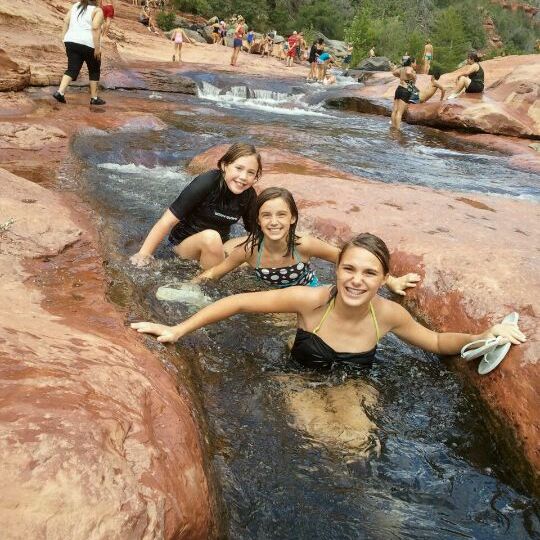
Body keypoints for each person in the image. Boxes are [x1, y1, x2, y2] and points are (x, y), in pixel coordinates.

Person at [131, 232, 525, 376]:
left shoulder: (387, 314)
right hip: (297, 378)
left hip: (352, 383)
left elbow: (437, 343)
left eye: (369, 274)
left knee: (359, 449)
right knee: (323, 442)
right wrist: (177, 329)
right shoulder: (311, 300)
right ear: (335, 271)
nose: (356, 280)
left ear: (381, 278)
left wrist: (482, 334)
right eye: (348, 269)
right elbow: (237, 302)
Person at [192, 187, 420, 296]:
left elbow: (350, 260)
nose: (274, 222)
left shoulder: (304, 245)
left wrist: (391, 282)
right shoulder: (250, 251)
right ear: (258, 221)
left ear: (292, 218)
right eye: (266, 216)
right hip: (274, 296)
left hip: (309, 294)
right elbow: (216, 272)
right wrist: (188, 286)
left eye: (281, 215)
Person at [130, 143, 260, 269]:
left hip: (220, 246)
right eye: (239, 168)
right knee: (212, 237)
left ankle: (220, 268)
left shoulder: (249, 195)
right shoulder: (207, 182)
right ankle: (205, 282)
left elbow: (254, 232)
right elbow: (166, 221)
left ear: (255, 177)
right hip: (183, 246)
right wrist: (144, 253)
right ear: (225, 165)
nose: (243, 177)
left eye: (250, 172)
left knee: (259, 241)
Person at [53, 0, 106, 106]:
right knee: (94, 69)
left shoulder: (76, 5)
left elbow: (66, 20)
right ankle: (94, 98)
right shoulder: (97, 10)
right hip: (88, 43)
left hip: (71, 41)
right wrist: (97, 48)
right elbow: (95, 28)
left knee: (72, 69)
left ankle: (60, 92)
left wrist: (63, 38)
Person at [390, 58, 445, 129]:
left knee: (394, 110)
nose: (415, 64)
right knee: (399, 112)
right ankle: (397, 130)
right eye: (415, 63)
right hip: (405, 90)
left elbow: (394, 73)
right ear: (411, 63)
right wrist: (413, 76)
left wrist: (401, 76)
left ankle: (392, 127)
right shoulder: (410, 68)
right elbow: (408, 72)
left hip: (399, 88)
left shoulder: (402, 68)